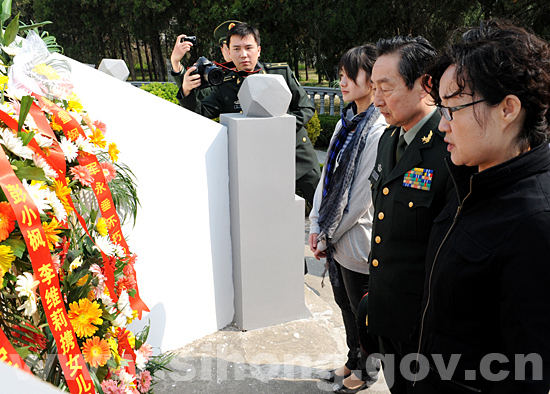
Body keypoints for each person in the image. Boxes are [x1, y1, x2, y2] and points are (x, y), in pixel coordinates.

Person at [414, 20, 550, 393]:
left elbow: (528, 374)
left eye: (453, 109)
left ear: (508, 109)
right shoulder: (469, 183)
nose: (443, 126)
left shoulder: (534, 221)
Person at [367, 36, 451, 393]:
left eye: (386, 87)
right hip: (388, 313)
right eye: (373, 88)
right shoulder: (390, 139)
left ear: (425, 84)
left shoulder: (449, 146)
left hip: (423, 325)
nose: (376, 99)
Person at [308, 45, 386, 394]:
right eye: (341, 73)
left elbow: (358, 200)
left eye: (350, 74)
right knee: (344, 305)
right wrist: (315, 225)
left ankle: (368, 371)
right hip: (336, 237)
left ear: (372, 81)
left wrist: (326, 233)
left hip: (357, 239)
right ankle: (353, 358)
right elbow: (326, 180)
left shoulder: (377, 129)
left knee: (363, 312)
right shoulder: (346, 121)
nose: (342, 81)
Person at [179, 22, 320, 205]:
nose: (243, 54)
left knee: (322, 207)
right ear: (228, 52)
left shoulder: (280, 73)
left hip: (296, 155)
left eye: (248, 48)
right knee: (267, 214)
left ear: (258, 50)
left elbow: (306, 108)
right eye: (236, 49)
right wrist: (186, 91)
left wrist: (279, 127)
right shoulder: (225, 85)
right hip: (258, 163)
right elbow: (200, 112)